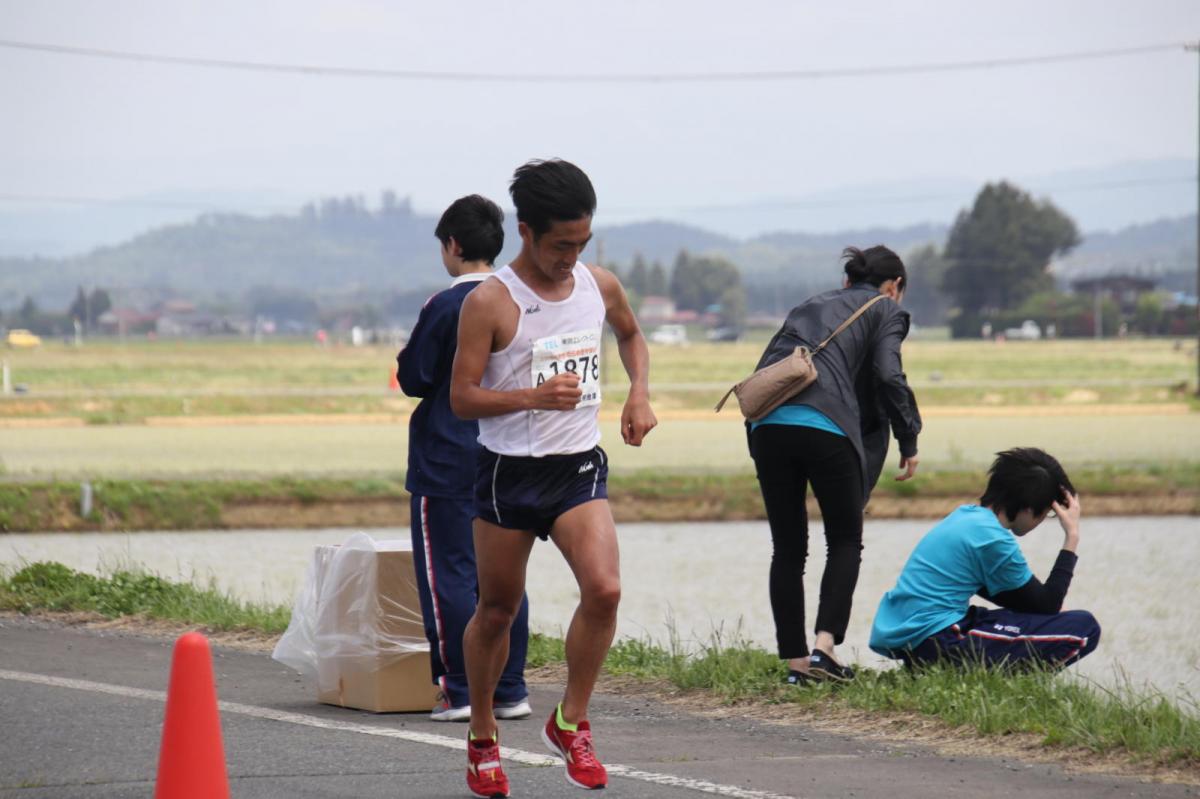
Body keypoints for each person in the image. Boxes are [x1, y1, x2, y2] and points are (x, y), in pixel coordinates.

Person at [450, 159, 656, 797]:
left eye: (582, 244)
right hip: (506, 475)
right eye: (560, 244)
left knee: (606, 591)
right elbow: (462, 398)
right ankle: (483, 735)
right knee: (497, 610)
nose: (572, 256)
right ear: (526, 231)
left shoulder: (599, 285)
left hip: (576, 470)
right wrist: (530, 400)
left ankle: (571, 721)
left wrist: (638, 394)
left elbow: (632, 336)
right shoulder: (490, 301)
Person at [749, 246, 922, 684]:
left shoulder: (810, 304)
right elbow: (887, 375)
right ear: (895, 286)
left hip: (767, 424)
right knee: (845, 539)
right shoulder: (887, 310)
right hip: (826, 426)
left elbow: (770, 366)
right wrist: (908, 436)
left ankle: (795, 665)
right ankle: (824, 649)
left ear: (848, 281)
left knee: (788, 548)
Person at [396, 195, 531, 723]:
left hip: (447, 459)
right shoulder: (517, 299)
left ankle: (458, 688)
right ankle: (510, 687)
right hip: (507, 456)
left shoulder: (447, 304)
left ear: (452, 245)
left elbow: (415, 377)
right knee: (503, 579)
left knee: (448, 575)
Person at [869, 448, 1100, 671]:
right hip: (942, 640)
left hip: (922, 641)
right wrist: (1072, 536)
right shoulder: (993, 540)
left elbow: (1025, 603)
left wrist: (1052, 609)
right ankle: (1014, 686)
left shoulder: (965, 517)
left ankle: (930, 669)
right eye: (1046, 513)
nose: (1041, 520)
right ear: (1028, 509)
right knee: (1084, 627)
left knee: (1029, 618)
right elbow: (1047, 605)